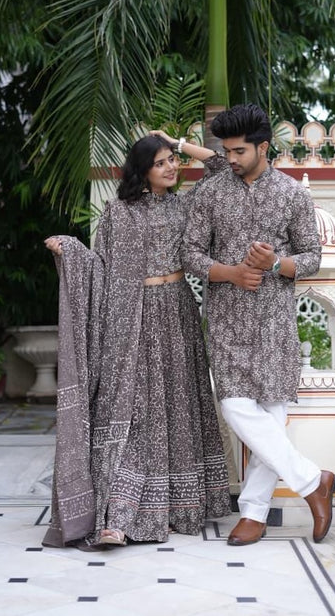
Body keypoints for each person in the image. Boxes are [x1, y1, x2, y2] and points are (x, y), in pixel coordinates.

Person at [42, 132, 231, 550]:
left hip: (178, 313)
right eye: (161, 161)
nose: (171, 167)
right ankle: (117, 517)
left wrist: (179, 143)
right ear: (142, 169)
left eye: (172, 161)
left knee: (177, 404)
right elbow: (100, 267)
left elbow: (220, 164)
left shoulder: (186, 205)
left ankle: (179, 506)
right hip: (132, 319)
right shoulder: (118, 213)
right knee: (131, 412)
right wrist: (70, 252)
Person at [181, 103, 335, 546]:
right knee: (235, 406)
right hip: (228, 319)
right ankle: (314, 481)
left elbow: (312, 257)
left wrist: (275, 263)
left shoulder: (293, 195)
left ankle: (251, 513)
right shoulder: (211, 193)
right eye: (225, 151)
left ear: (262, 147)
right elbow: (191, 253)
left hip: (274, 321)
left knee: (271, 413)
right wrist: (230, 272)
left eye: (237, 151)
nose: (229, 159)